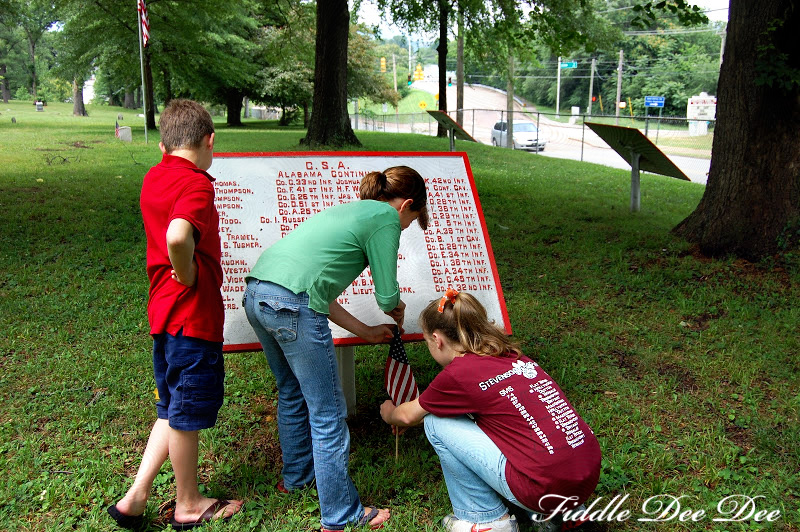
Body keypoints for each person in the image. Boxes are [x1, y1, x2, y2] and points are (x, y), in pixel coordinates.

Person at [242, 166, 429, 531]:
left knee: (291, 391)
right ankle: (341, 516)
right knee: (328, 413)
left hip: (256, 293)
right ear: (406, 205)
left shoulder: (349, 209)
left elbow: (317, 293)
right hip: (292, 303)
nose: (404, 229)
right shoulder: (385, 218)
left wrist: (365, 330)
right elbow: (386, 294)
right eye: (410, 221)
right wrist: (397, 309)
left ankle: (296, 479)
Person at [108, 99, 242, 530]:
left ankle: (136, 495)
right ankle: (188, 502)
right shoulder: (198, 184)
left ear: (164, 143)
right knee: (185, 414)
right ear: (209, 140)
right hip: (192, 317)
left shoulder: (155, 176)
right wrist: (186, 272)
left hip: (163, 315)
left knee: (169, 407)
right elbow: (178, 235)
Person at [380, 289, 601, 532]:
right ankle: (565, 513)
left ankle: (486, 519)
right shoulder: (513, 357)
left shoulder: (458, 374)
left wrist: (389, 411)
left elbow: (408, 416)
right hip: (586, 476)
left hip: (543, 487)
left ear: (437, 339)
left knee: (435, 422)